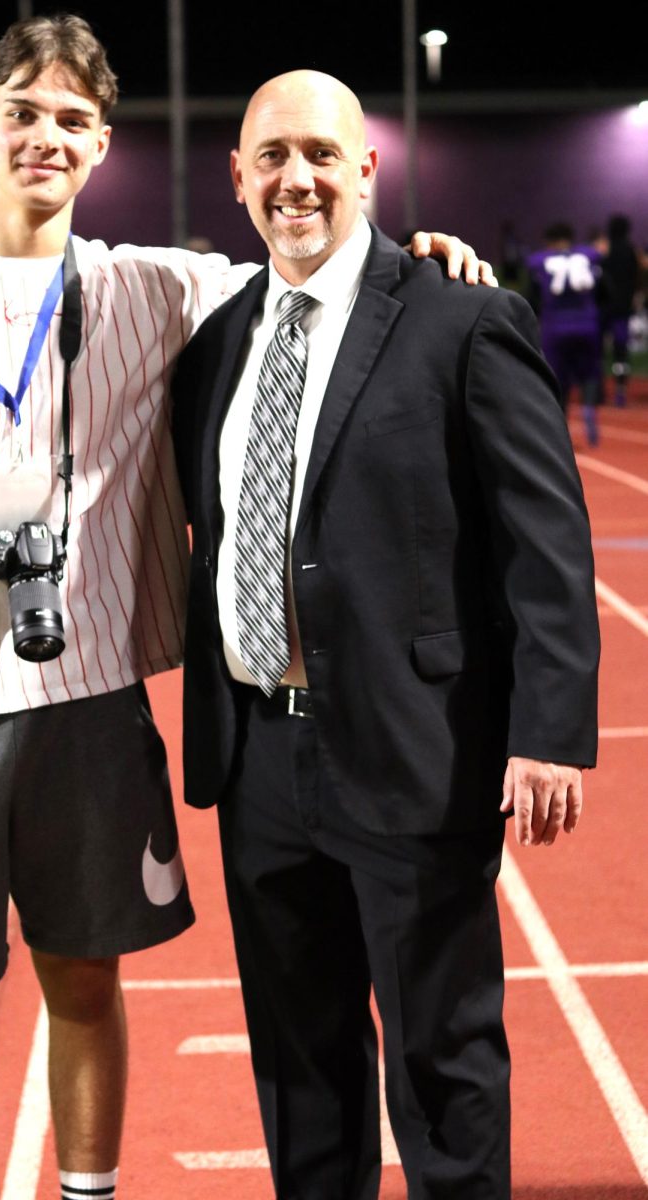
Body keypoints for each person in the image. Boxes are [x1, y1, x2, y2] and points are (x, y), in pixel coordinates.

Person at [0, 16, 488, 1200]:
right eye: (22, 112)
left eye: (71, 120)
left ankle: (89, 1190)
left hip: (91, 699)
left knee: (86, 978)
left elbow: (314, 273)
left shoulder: (156, 288)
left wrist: (423, 254)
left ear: (103, 143)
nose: (44, 138)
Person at [171, 71, 599, 1200]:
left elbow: (544, 546)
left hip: (414, 748)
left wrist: (545, 732)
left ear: (367, 169)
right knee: (300, 1069)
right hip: (259, 753)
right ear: (238, 178)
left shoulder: (461, 316)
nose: (294, 178)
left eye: (320, 153)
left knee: (440, 1060)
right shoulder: (215, 344)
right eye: (270, 157)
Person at [527, 221, 604, 445]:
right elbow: (604, 290)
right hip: (587, 324)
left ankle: (561, 428)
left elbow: (532, 298)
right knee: (590, 373)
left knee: (557, 378)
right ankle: (589, 408)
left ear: (548, 241)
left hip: (555, 326)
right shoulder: (589, 256)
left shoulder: (540, 261)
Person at [600, 213, 645, 406]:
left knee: (599, 350)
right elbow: (640, 277)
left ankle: (596, 390)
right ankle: (620, 391)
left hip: (603, 308)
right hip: (623, 309)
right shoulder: (632, 252)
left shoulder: (604, 251)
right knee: (621, 351)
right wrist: (637, 296)